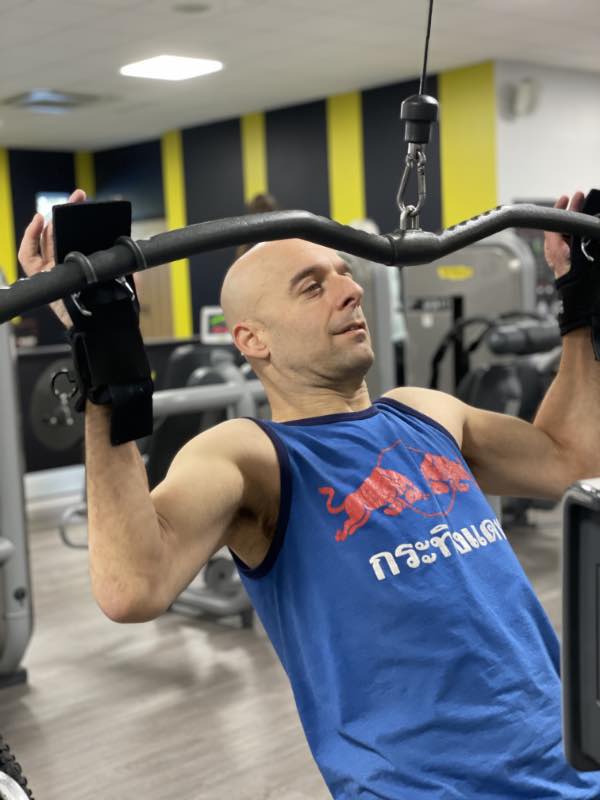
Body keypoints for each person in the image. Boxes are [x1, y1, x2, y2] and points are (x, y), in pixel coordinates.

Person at [18, 188, 600, 799]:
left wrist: (580, 296)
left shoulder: (426, 413)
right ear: (253, 339)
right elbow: (130, 586)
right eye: (311, 286)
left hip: (575, 763)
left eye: (345, 273)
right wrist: (106, 343)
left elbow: (573, 462)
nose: (350, 291)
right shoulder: (252, 455)